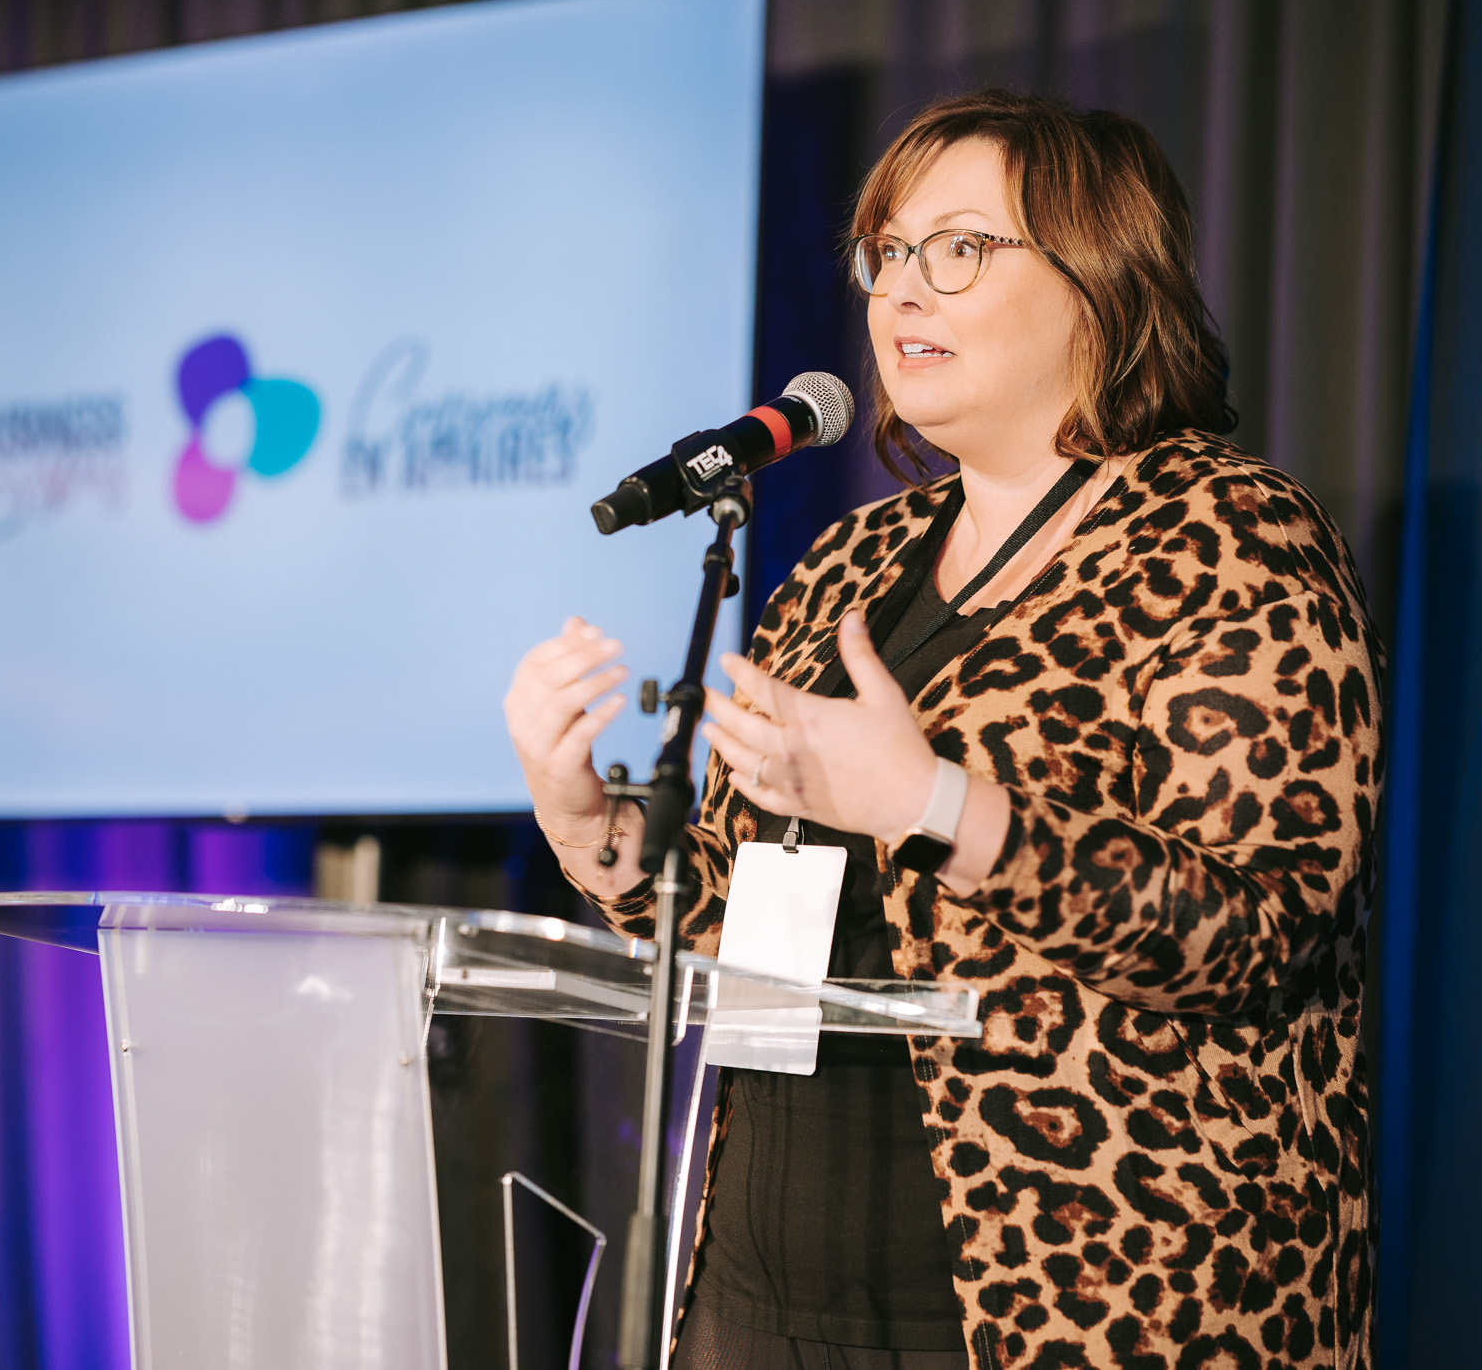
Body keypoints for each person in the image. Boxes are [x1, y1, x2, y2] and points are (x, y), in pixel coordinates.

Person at [504, 90, 1383, 1370]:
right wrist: (588, 825)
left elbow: (1253, 932)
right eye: (886, 252)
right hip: (761, 1297)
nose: (902, 290)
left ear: (1102, 283)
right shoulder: (851, 563)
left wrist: (937, 806)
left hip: (1088, 1299)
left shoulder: (1232, 538)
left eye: (959, 248)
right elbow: (754, 928)